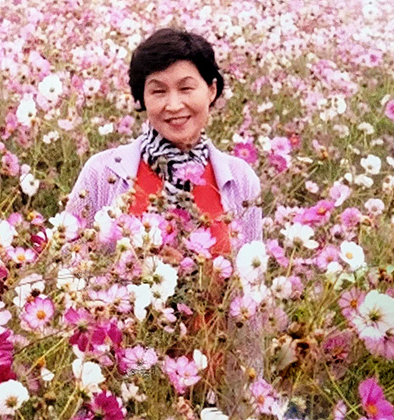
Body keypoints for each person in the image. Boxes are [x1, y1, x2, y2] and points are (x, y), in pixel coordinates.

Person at [65, 27, 263, 415]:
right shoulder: (104, 172)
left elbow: (251, 292)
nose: (174, 105)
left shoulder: (239, 181)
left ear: (212, 90)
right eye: (157, 91)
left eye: (187, 88)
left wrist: (247, 394)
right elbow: (68, 267)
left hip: (209, 380)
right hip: (121, 378)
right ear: (141, 98)